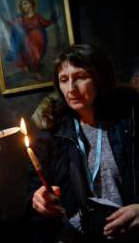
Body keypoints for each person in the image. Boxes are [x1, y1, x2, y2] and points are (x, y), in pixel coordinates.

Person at [26, 44, 139, 243]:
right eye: (64, 80)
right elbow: (35, 188)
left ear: (99, 79)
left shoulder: (129, 119)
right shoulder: (52, 134)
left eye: (80, 77)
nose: (71, 89)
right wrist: (37, 199)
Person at [5, 0, 55, 73]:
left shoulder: (37, 16)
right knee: (31, 54)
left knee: (38, 54)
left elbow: (44, 22)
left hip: (39, 38)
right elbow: (13, 22)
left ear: (31, 4)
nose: (23, 6)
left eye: (25, 3)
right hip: (28, 39)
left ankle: (35, 68)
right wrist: (6, 21)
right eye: (21, 5)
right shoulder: (21, 18)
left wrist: (52, 21)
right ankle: (32, 70)